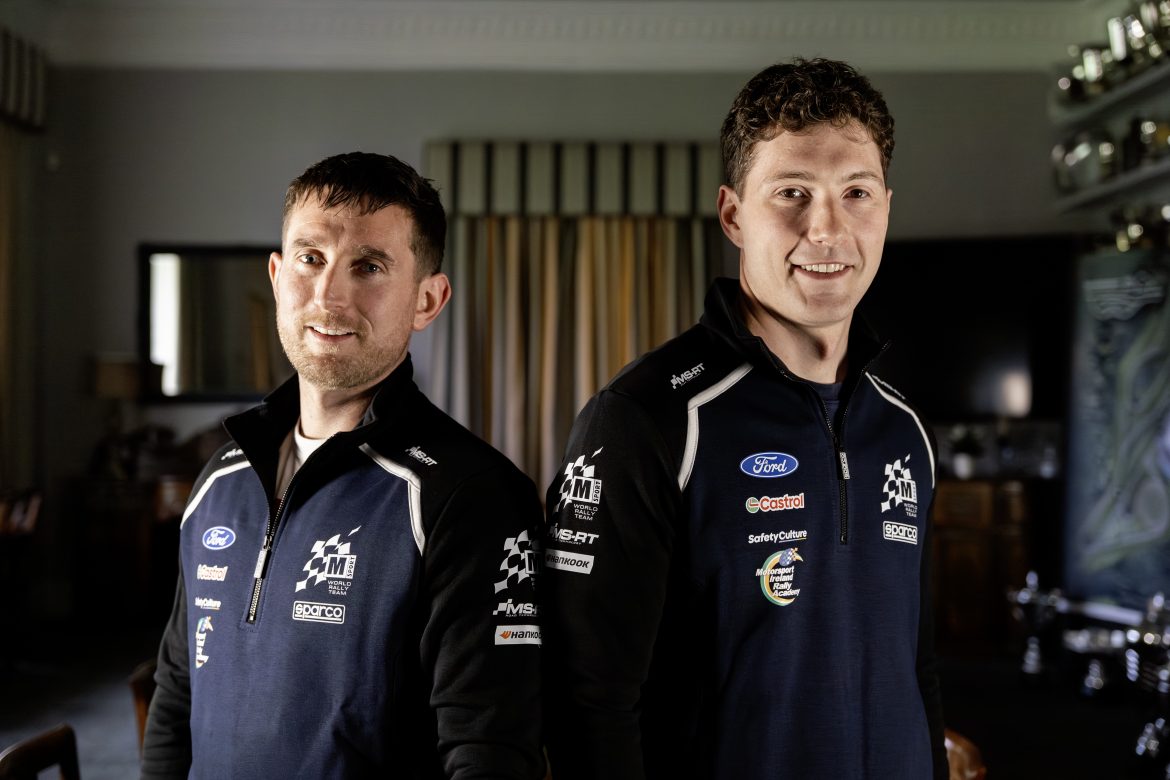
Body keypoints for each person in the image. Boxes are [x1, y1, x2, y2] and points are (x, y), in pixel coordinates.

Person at [541, 58, 948, 779]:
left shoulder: (904, 430)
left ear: (885, 208)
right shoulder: (645, 418)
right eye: (792, 193)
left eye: (855, 193)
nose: (827, 229)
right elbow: (587, 701)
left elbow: (917, 667)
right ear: (733, 215)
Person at [141, 152, 545, 779]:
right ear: (277, 276)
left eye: (369, 266)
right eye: (310, 258)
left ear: (427, 300)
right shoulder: (218, 481)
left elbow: (488, 750)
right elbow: (177, 695)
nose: (329, 295)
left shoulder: (470, 495)